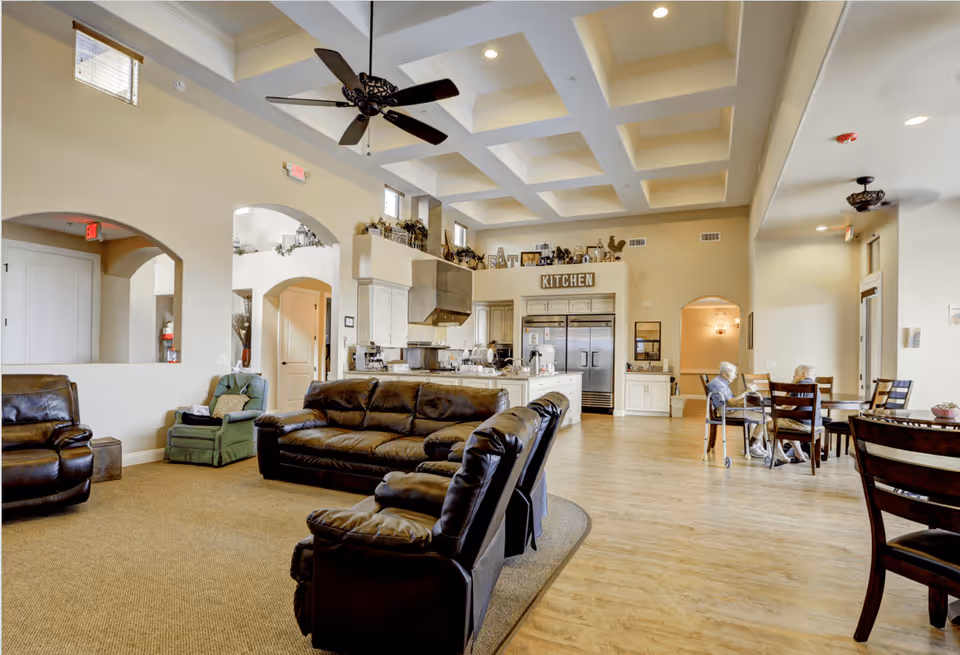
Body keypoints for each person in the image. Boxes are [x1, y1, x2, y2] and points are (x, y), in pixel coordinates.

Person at [752, 364, 821, 464]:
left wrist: (778, 409)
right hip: (815, 426)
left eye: (794, 375)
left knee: (769, 426)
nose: (793, 377)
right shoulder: (816, 387)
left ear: (803, 374)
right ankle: (799, 455)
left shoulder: (798, 386)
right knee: (785, 424)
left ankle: (782, 457)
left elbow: (789, 407)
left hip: (800, 425)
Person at [706, 361, 768, 458]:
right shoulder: (717, 383)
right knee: (766, 418)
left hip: (731, 410)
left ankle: (753, 445)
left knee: (761, 414)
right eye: (733, 373)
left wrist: (743, 398)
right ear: (724, 373)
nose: (735, 376)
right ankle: (753, 446)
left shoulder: (722, 382)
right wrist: (746, 392)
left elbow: (732, 400)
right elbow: (730, 402)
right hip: (728, 412)